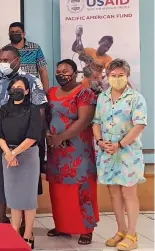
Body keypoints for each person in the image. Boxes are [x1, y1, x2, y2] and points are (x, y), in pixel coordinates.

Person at [0, 45, 47, 223]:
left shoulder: (31, 80)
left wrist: (23, 145)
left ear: (17, 60)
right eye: (0, 60)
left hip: (25, 143)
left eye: (6, 60)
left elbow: (40, 110)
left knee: (22, 185)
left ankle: (23, 228)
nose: (2, 64)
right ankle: (1, 220)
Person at [93, 59, 147, 251]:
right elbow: (96, 121)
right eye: (113, 76)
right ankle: (121, 231)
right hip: (107, 151)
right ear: (107, 76)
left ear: (127, 75)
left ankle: (132, 234)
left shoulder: (136, 98)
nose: (116, 79)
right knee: (114, 193)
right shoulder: (103, 97)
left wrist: (120, 144)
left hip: (127, 152)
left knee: (128, 193)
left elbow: (139, 125)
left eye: (120, 75)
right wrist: (100, 141)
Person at [45, 59, 98, 245]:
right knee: (59, 190)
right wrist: (48, 134)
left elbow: (84, 120)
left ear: (75, 73)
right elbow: (46, 116)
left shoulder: (85, 93)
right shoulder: (51, 92)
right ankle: (62, 225)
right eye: (58, 70)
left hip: (78, 151)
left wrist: (61, 137)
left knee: (82, 189)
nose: (61, 74)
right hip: (56, 152)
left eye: (66, 71)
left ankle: (86, 229)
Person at [0, 76, 41, 249]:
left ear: (27, 91)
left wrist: (14, 153)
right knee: (13, 196)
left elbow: (33, 136)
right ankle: (14, 231)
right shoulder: (4, 109)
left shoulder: (33, 110)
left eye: (20, 87)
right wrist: (8, 153)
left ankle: (28, 233)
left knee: (27, 197)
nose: (16, 90)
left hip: (27, 155)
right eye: (13, 87)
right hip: (7, 155)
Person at [8, 22, 50, 90]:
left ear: (23, 34)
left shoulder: (35, 48)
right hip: (12, 89)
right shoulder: (5, 51)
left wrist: (46, 91)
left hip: (32, 88)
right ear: (9, 35)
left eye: (17, 32)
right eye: (12, 32)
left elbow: (43, 71)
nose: (14, 34)